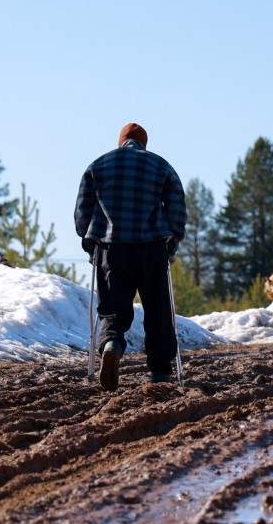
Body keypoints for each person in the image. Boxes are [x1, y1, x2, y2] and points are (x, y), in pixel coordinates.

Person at [74, 123, 187, 391]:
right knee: (158, 310)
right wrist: (173, 240)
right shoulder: (161, 166)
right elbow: (177, 209)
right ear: (143, 143)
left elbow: (82, 213)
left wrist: (89, 241)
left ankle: (112, 344)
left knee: (112, 308)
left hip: (111, 248)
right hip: (152, 246)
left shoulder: (97, 166)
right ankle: (160, 373)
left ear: (121, 141)